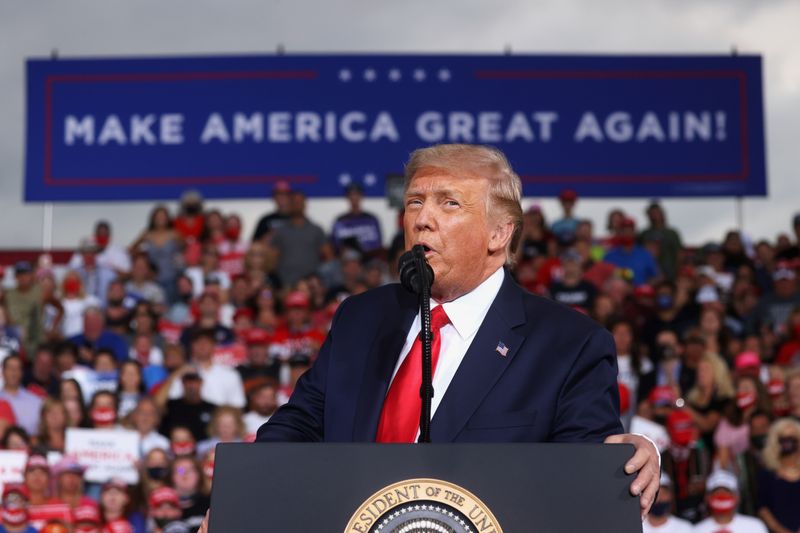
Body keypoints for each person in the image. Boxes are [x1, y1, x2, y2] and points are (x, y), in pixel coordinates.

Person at [254, 144, 659, 512]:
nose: (422, 219)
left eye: (448, 203)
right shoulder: (360, 317)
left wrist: (627, 460)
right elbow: (299, 427)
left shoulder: (569, 345)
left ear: (499, 234)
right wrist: (243, 502)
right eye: (415, 202)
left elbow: (584, 475)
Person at [270, 190, 326, 287]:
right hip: (286, 284)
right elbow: (273, 258)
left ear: (305, 204)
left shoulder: (316, 230)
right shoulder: (280, 231)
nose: (297, 205)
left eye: (299, 202)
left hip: (311, 285)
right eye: (294, 202)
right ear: (290, 204)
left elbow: (327, 256)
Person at [757, 417, 800, 533]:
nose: (788, 442)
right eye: (783, 438)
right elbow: (763, 509)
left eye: (792, 437)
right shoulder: (767, 474)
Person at [694, 469, 768, 533]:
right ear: (706, 498)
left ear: (737, 497)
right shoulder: (696, 530)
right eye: (716, 492)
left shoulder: (754, 527)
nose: (721, 495)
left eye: (727, 492)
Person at [330, 183, 383, 254]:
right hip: (346, 261)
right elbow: (335, 245)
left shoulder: (371, 219)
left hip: (369, 259)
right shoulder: (340, 220)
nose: (354, 197)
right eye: (351, 195)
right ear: (347, 197)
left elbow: (378, 244)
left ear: (361, 196)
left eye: (357, 194)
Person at [0, 354, 43, 436]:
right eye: (10, 368)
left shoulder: (35, 401)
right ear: (2, 372)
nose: (14, 372)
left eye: (17, 369)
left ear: (22, 372)